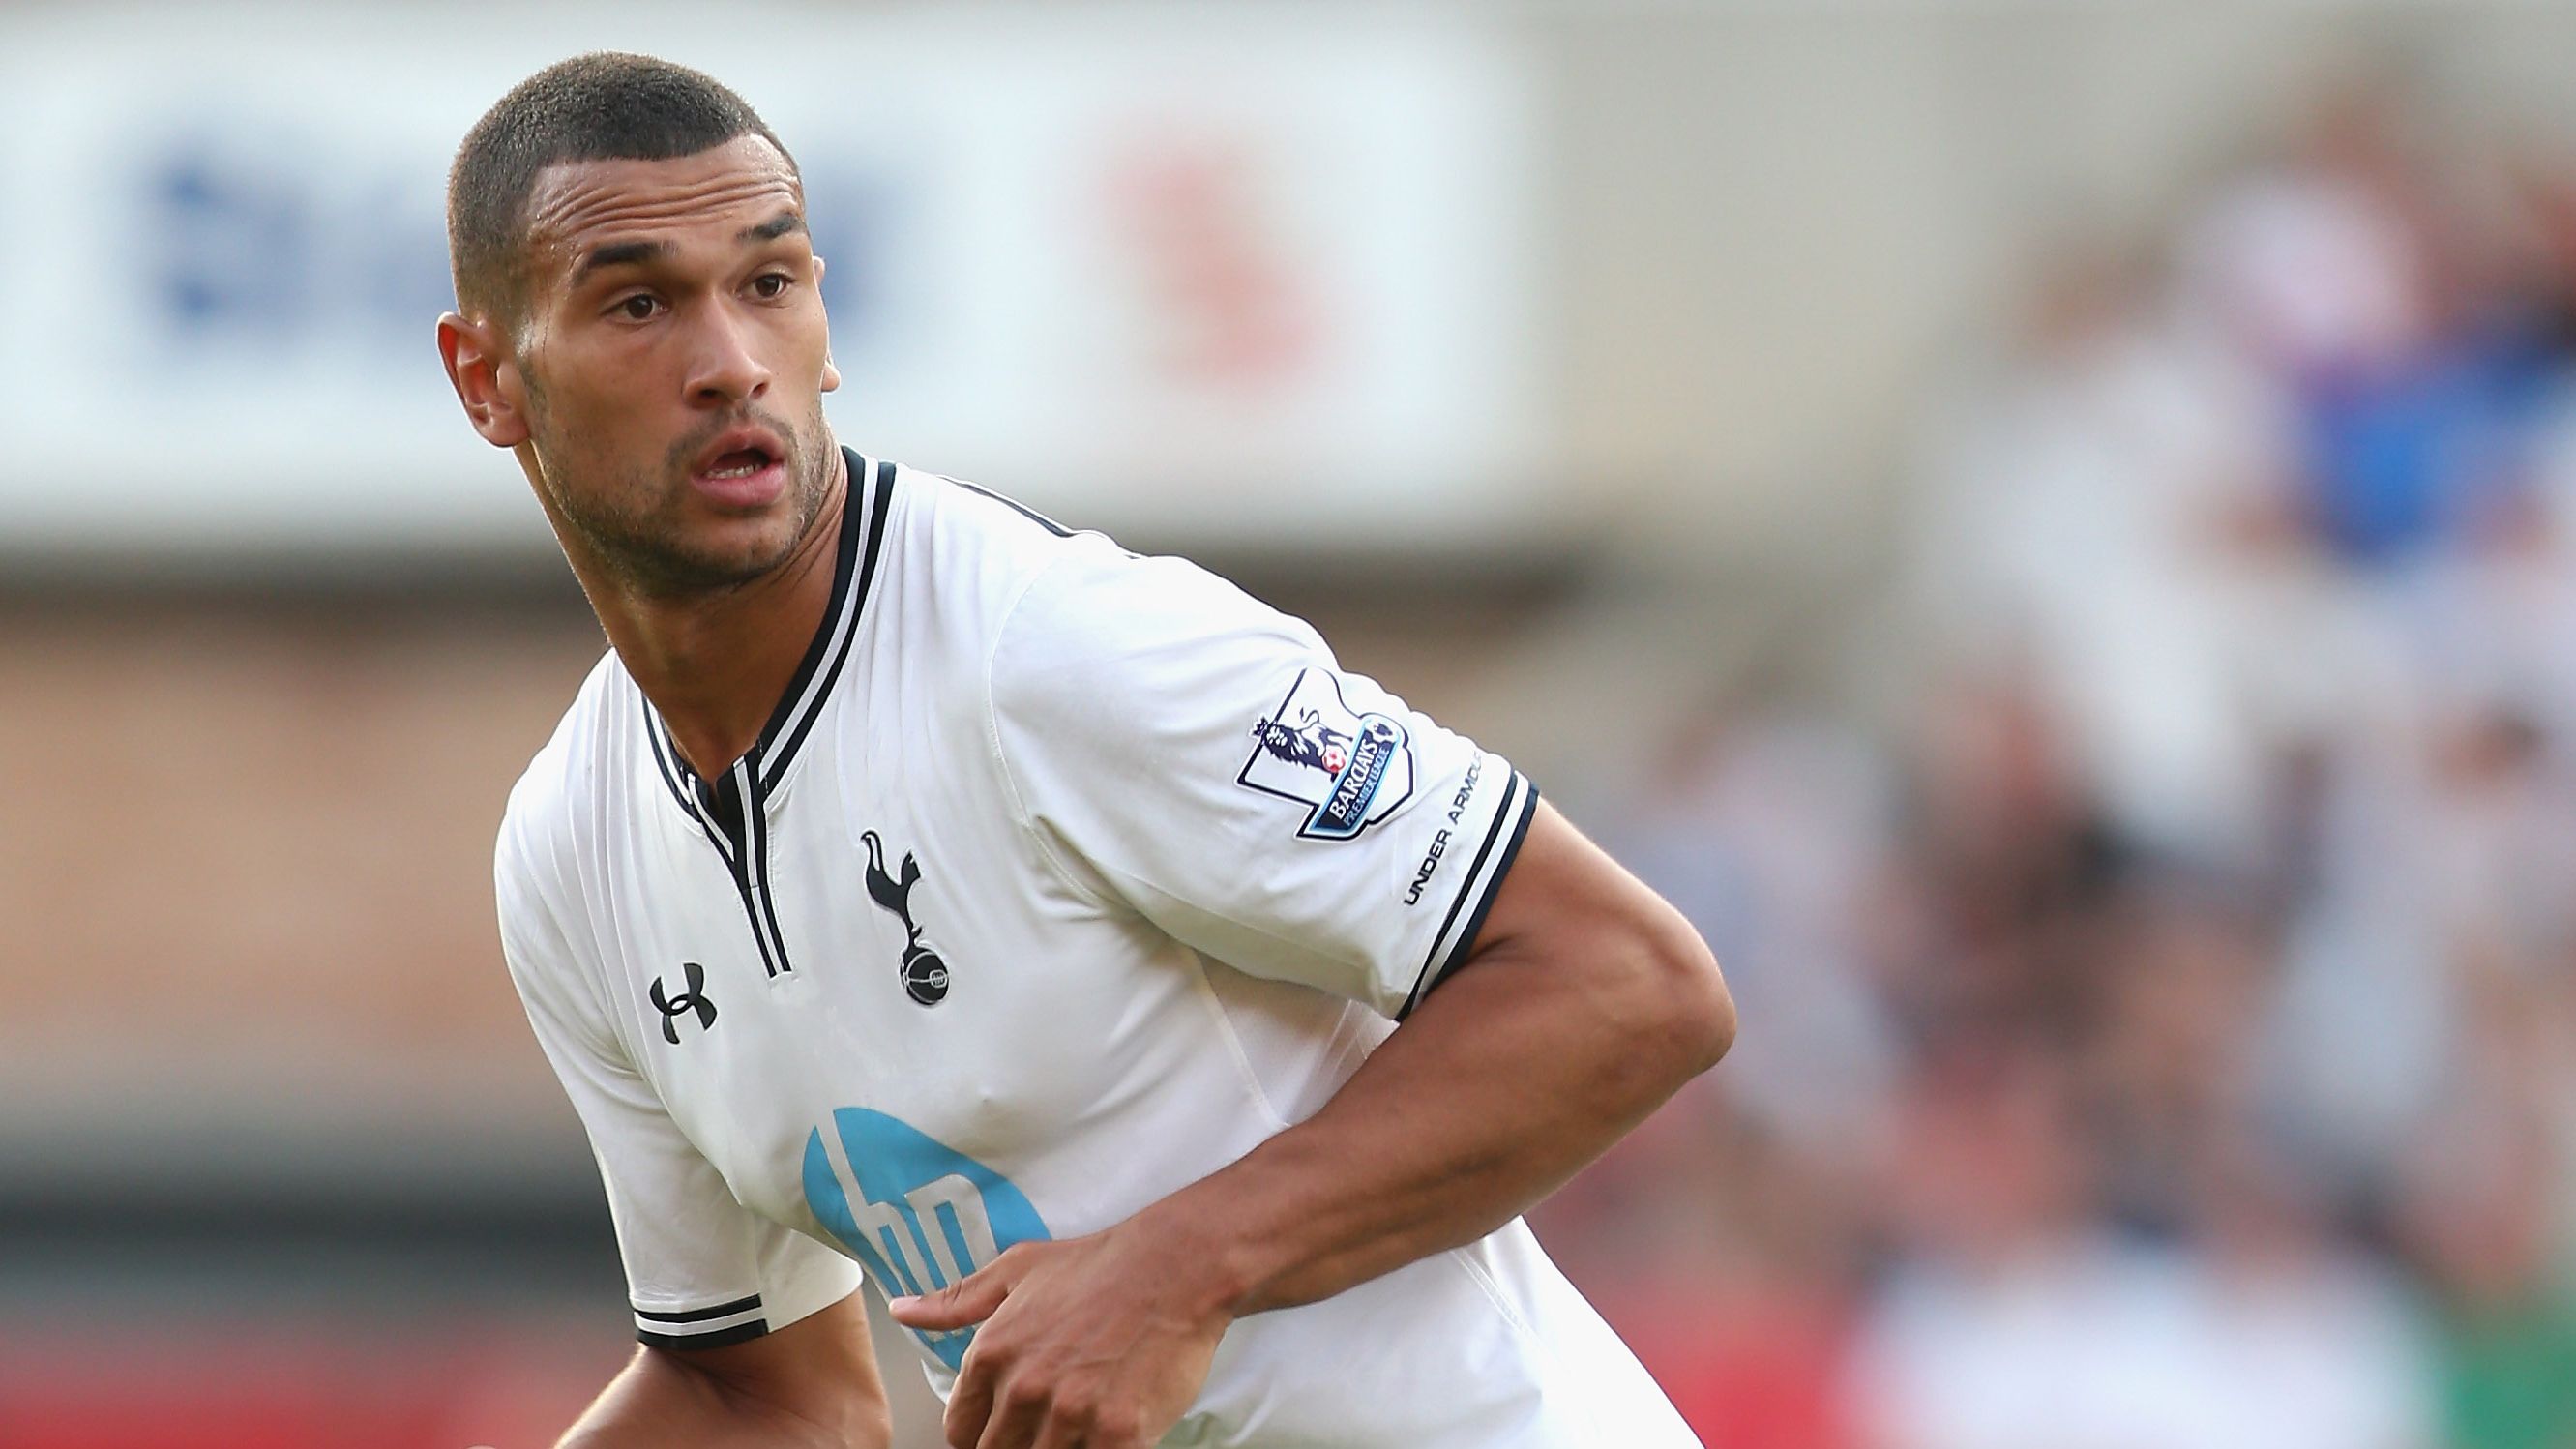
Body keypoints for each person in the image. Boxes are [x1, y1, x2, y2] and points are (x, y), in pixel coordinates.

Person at [438, 51, 1733, 1449]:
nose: (732, 363)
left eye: (769, 283)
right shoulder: (573, 849)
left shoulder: (1054, 651)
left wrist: (1181, 1268)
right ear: (488, 378)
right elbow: (758, 1393)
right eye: (639, 304)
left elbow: (1631, 983)